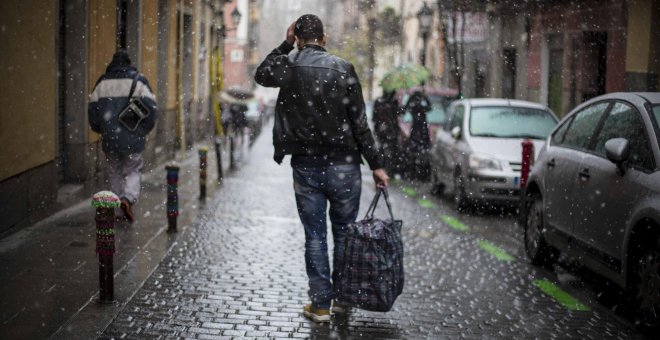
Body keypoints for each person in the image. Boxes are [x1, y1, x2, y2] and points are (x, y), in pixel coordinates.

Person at [254, 14, 389, 322]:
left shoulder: (289, 66)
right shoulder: (344, 68)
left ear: (299, 38)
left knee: (315, 236)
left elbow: (261, 75)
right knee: (344, 233)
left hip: (306, 165)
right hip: (344, 166)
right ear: (324, 38)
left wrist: (285, 45)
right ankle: (342, 300)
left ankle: (320, 305)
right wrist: (377, 165)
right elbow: (359, 122)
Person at [88, 50, 158, 223]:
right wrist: (142, 130)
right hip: (133, 137)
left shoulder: (101, 83)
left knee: (114, 172)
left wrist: (101, 129)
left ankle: (117, 210)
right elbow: (151, 110)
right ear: (129, 63)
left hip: (110, 137)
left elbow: (93, 113)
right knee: (133, 169)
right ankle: (128, 198)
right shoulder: (139, 81)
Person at [372, 90, 404, 177]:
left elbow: (374, 118)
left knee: (386, 151)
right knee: (389, 152)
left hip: (384, 131)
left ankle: (384, 170)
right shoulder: (392, 102)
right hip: (388, 131)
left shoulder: (381, 102)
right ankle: (387, 171)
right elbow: (400, 113)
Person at [404, 90, 432, 181]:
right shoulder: (417, 107)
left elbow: (429, 107)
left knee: (419, 154)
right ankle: (416, 175)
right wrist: (424, 98)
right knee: (415, 154)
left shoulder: (417, 107)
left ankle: (419, 175)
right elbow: (429, 107)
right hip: (418, 133)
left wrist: (421, 98)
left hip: (420, 133)